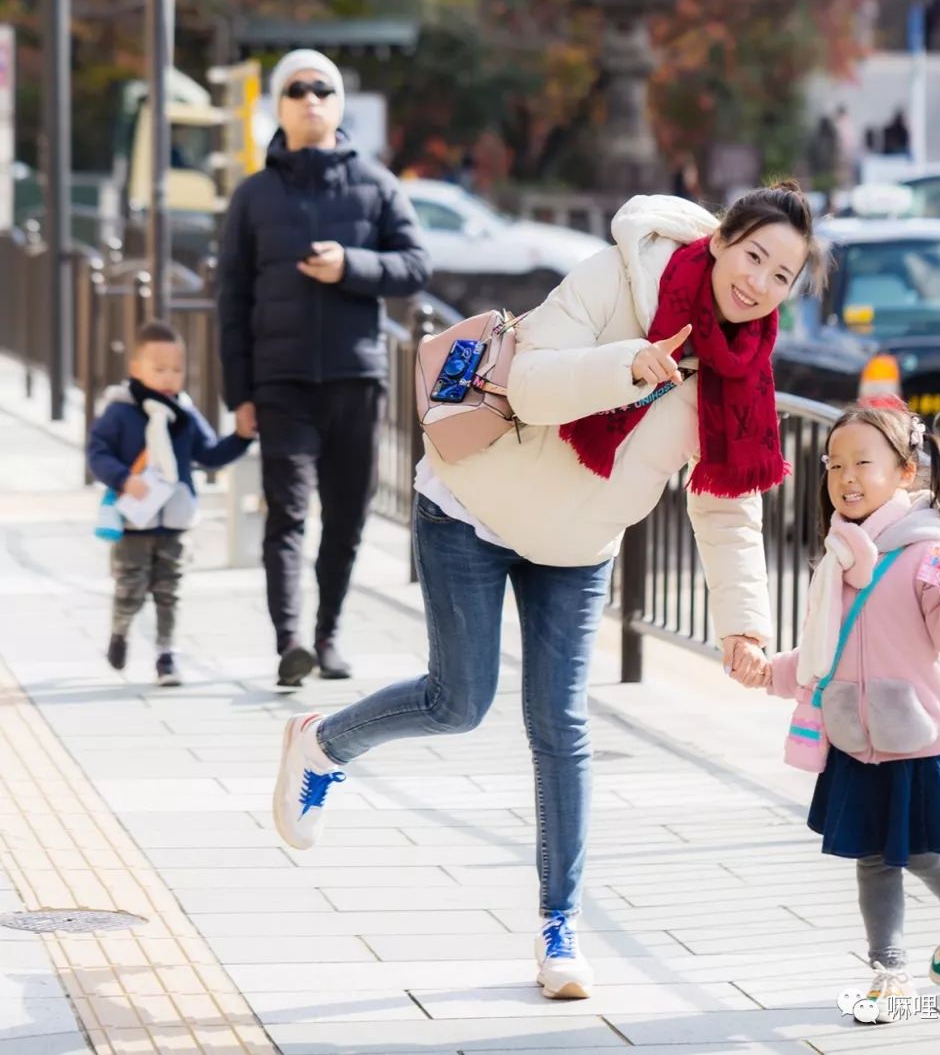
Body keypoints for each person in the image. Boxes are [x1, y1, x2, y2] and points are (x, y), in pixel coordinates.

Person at [270, 184, 826, 1000]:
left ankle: (558, 925)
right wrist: (627, 365)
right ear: (719, 241)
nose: (760, 283)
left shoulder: (741, 375)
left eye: (783, 275)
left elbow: (727, 503)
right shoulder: (618, 276)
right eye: (754, 257)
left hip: (575, 546)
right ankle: (322, 742)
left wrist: (743, 624)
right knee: (459, 700)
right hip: (472, 504)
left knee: (560, 726)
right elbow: (527, 382)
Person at [763, 404, 940, 1021]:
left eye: (862, 462)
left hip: (915, 736)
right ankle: (889, 973)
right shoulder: (842, 553)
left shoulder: (930, 549)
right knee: (872, 858)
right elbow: (827, 648)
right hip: (853, 733)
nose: (845, 476)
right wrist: (771, 672)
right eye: (834, 463)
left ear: (903, 472)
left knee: (923, 853)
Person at [217, 50, 432, 688]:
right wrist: (239, 392)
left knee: (346, 514)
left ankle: (327, 635)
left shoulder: (376, 184)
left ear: (338, 105)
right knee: (288, 511)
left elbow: (417, 265)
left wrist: (353, 268)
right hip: (280, 380)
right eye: (296, 89)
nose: (311, 98)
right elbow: (232, 299)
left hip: (356, 377)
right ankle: (289, 642)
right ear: (277, 108)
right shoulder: (253, 196)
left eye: (323, 89)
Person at [88, 320, 252, 686]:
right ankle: (120, 631)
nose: (168, 377)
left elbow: (208, 455)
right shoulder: (120, 411)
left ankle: (166, 655)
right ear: (136, 369)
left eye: (176, 370)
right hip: (134, 522)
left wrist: (241, 438)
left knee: (169, 590)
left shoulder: (186, 416)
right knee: (129, 586)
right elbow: (97, 452)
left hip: (176, 520)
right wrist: (122, 478)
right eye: (158, 369)